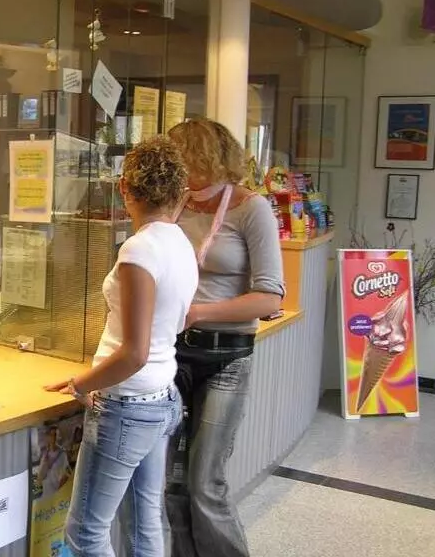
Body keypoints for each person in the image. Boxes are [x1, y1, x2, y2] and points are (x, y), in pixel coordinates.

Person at [45, 136, 196, 557]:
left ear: (125, 188)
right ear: (179, 192)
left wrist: (81, 384)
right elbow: (176, 322)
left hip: (128, 405)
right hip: (161, 398)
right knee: (144, 526)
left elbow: (133, 353)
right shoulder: (180, 243)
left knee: (86, 535)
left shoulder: (140, 249)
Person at [166, 118, 285, 557]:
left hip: (226, 357)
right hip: (172, 355)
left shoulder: (252, 209)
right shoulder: (176, 205)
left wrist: (198, 313)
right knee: (172, 484)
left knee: (205, 484)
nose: (182, 174)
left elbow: (269, 297)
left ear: (209, 160)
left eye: (187, 163)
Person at [38, 426, 72, 499]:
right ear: (48, 437)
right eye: (51, 435)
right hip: (46, 493)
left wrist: (59, 491)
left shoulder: (62, 454)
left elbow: (66, 474)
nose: (53, 437)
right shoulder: (45, 454)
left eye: (55, 435)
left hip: (57, 494)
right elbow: (39, 479)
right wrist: (44, 465)